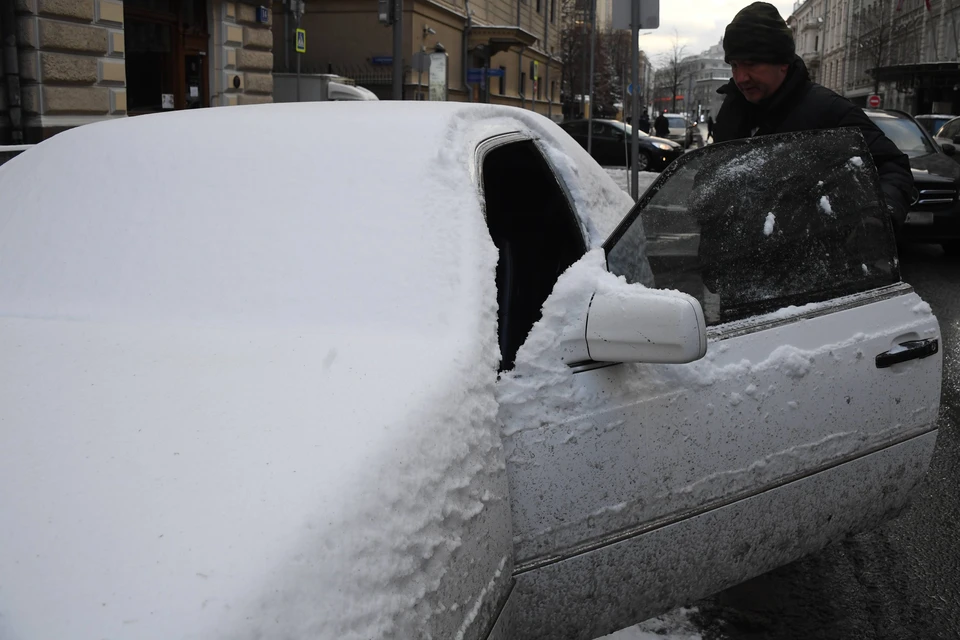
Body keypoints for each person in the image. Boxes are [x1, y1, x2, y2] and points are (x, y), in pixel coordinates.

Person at [714, 1, 912, 225]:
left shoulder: (829, 111)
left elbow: (892, 168)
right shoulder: (732, 109)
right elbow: (713, 173)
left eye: (750, 65)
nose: (740, 77)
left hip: (803, 253)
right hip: (728, 255)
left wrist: (879, 214)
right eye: (735, 65)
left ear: (783, 63)